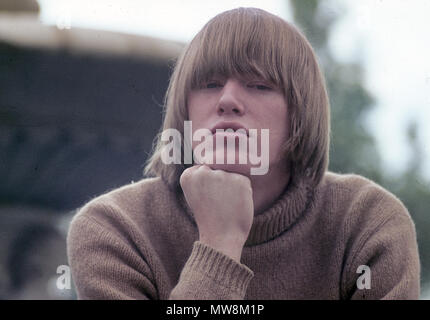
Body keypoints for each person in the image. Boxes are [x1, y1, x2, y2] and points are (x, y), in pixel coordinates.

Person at [67, 7, 420, 299]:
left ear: (300, 112)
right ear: (184, 108)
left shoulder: (366, 222)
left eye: (259, 85)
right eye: (209, 84)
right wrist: (219, 244)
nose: (228, 101)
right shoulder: (115, 230)